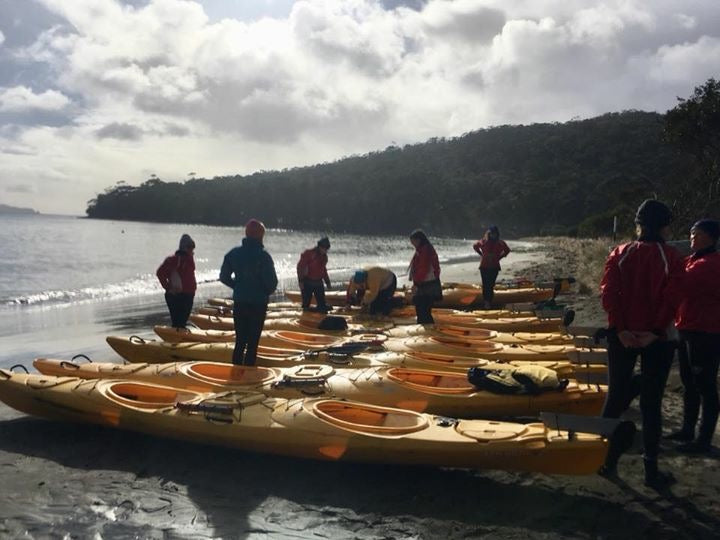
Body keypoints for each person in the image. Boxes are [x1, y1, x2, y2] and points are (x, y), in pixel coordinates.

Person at [599, 199, 684, 488]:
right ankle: (651, 470)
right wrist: (656, 331)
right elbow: (673, 297)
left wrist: (620, 329)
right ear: (663, 226)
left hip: (621, 335)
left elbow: (610, 293)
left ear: (638, 224)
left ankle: (605, 460)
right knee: (651, 403)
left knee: (615, 398)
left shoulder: (619, 252)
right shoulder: (671, 256)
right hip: (656, 339)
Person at [668, 219, 720, 453]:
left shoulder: (709, 264)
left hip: (705, 332)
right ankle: (688, 429)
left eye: (696, 234)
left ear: (710, 237)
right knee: (689, 383)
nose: (691, 238)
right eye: (690, 233)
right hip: (687, 327)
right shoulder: (693, 260)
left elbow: (679, 285)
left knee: (705, 385)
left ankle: (704, 439)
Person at [219, 219, 278, 366]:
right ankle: (247, 376)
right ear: (260, 236)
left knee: (240, 341)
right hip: (258, 304)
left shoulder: (233, 254)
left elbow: (223, 277)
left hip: (240, 302)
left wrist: (237, 286)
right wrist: (264, 291)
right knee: (252, 343)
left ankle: (236, 372)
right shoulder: (264, 256)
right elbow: (272, 283)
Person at [156, 234, 196, 328]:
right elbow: (160, 273)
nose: (192, 250)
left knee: (180, 322)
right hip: (177, 295)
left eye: (192, 248)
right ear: (184, 247)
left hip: (187, 295)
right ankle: (177, 338)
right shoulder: (173, 260)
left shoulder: (189, 259)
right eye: (190, 247)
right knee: (179, 322)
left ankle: (179, 336)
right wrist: (167, 287)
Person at [408, 229, 441, 324]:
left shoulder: (425, 250)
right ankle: (426, 329)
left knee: (423, 310)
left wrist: (417, 284)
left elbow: (423, 268)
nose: (412, 244)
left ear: (418, 240)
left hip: (427, 284)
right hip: (425, 283)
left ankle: (427, 331)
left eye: (413, 242)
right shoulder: (423, 249)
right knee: (423, 310)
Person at [473, 225, 510, 308]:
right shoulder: (484, 241)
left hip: (494, 267)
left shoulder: (500, 243)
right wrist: (481, 254)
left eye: (495, 234)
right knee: (485, 284)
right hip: (484, 267)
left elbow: (507, 250)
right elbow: (475, 246)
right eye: (492, 233)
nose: (493, 235)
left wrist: (500, 257)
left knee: (491, 285)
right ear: (489, 234)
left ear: (497, 234)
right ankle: (486, 302)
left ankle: (488, 301)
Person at [297, 237, 332, 312]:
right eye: (324, 248)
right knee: (306, 304)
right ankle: (306, 313)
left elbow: (324, 270)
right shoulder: (308, 253)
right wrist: (300, 281)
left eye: (326, 249)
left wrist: (327, 282)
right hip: (307, 282)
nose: (325, 250)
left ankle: (318, 310)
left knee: (322, 306)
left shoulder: (324, 257)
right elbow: (300, 267)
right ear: (319, 247)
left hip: (318, 283)